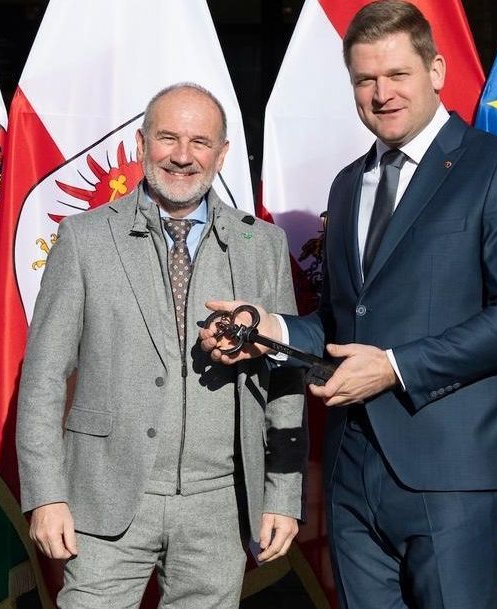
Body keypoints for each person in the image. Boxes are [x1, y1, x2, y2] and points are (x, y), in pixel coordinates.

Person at [200, 2, 497, 608]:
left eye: (397, 74)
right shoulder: (347, 184)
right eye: (365, 79)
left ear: (436, 71)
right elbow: (343, 321)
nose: (381, 93)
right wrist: (268, 328)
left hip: (453, 471)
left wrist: (394, 367)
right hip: (352, 469)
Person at [16, 82, 307, 609]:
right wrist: (46, 494)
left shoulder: (262, 245)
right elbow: (42, 377)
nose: (182, 156)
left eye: (200, 142)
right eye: (168, 138)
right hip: (102, 500)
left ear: (222, 153)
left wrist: (283, 495)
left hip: (220, 507)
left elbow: (284, 379)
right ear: (142, 142)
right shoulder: (84, 238)